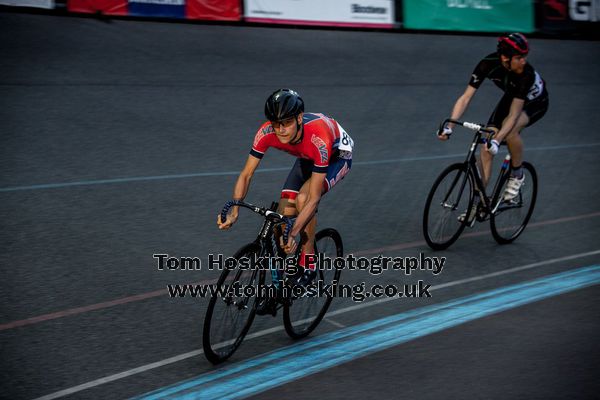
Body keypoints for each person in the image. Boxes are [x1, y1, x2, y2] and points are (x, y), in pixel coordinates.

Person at [217, 88, 353, 285]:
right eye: (276, 124)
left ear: (299, 118)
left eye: (286, 123)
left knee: (303, 199)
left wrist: (294, 233)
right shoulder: (266, 132)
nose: (280, 129)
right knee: (281, 217)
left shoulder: (319, 139)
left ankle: (309, 263)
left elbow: (313, 199)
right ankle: (279, 283)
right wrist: (235, 210)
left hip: (336, 156)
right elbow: (246, 174)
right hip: (307, 156)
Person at [438, 33, 549, 225]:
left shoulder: (526, 74)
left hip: (535, 102)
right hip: (512, 96)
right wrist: (449, 125)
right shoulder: (487, 63)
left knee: (511, 130)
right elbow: (465, 97)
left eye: (525, 57)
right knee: (485, 149)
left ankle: (517, 174)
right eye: (519, 58)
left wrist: (498, 140)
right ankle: (478, 204)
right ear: (505, 58)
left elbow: (514, 115)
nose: (524, 61)